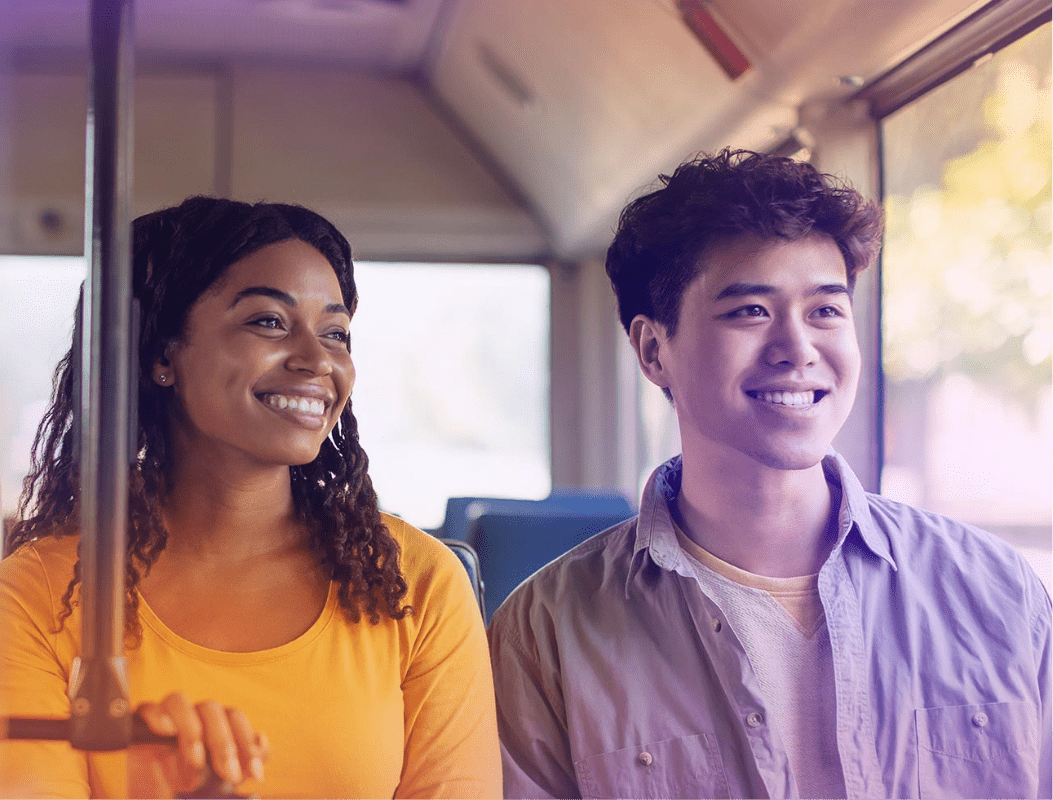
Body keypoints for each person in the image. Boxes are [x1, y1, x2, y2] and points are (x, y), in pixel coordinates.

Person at [488, 149, 1052, 799]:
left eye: (825, 311)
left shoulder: (996, 592)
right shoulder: (548, 631)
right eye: (750, 311)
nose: (797, 348)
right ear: (653, 349)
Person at [0, 197, 502, 798]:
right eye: (268, 321)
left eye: (335, 333)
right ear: (163, 353)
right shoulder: (38, 595)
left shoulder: (418, 584)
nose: (317, 361)